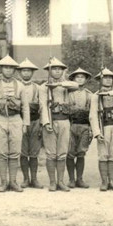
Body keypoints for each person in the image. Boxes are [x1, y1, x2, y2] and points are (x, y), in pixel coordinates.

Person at [0, 55, 31, 192]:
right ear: (0, 69)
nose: (8, 70)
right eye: (6, 67)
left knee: (15, 152)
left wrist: (25, 124)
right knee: (1, 152)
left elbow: (25, 107)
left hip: (16, 119)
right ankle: (3, 182)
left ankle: (13, 181)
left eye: (11, 68)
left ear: (15, 70)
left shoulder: (20, 86)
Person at [39, 58, 73, 192]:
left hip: (65, 120)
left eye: (60, 69)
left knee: (62, 153)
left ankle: (61, 181)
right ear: (49, 70)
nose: (57, 71)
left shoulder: (67, 85)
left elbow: (75, 86)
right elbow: (43, 105)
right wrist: (46, 122)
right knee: (51, 153)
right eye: (54, 68)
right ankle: (52, 182)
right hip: (51, 121)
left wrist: (63, 84)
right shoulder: (44, 87)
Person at [90, 68, 113, 191]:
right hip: (103, 126)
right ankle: (104, 181)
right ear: (100, 80)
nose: (108, 79)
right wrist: (97, 132)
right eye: (105, 78)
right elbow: (93, 116)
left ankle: (112, 181)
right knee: (103, 155)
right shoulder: (96, 96)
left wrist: (110, 92)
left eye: (110, 78)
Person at [65, 63, 95, 190]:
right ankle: (71, 179)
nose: (80, 79)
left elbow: (93, 113)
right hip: (71, 125)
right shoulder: (68, 93)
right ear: (73, 79)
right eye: (77, 77)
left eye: (83, 77)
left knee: (81, 152)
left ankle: (80, 179)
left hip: (84, 125)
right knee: (70, 152)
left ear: (86, 79)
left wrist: (91, 128)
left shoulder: (90, 95)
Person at [16, 59, 43, 188]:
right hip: (19, 121)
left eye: (28, 71)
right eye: (23, 71)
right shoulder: (16, 86)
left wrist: (42, 123)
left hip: (35, 121)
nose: (26, 73)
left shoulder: (38, 88)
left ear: (32, 72)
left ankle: (34, 179)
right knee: (23, 151)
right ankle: (25, 179)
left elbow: (42, 107)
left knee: (34, 152)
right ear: (20, 72)